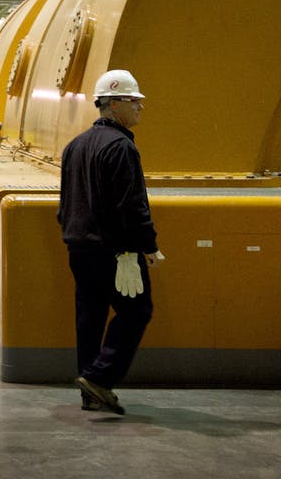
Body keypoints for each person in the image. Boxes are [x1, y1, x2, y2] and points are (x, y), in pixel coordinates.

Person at [57, 68, 164, 416]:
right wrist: (147, 245)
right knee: (137, 310)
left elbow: (65, 203)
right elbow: (132, 205)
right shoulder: (121, 147)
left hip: (79, 247)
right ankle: (100, 378)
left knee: (89, 317)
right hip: (114, 252)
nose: (140, 108)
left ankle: (90, 389)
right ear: (115, 104)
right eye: (135, 101)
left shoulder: (74, 146)